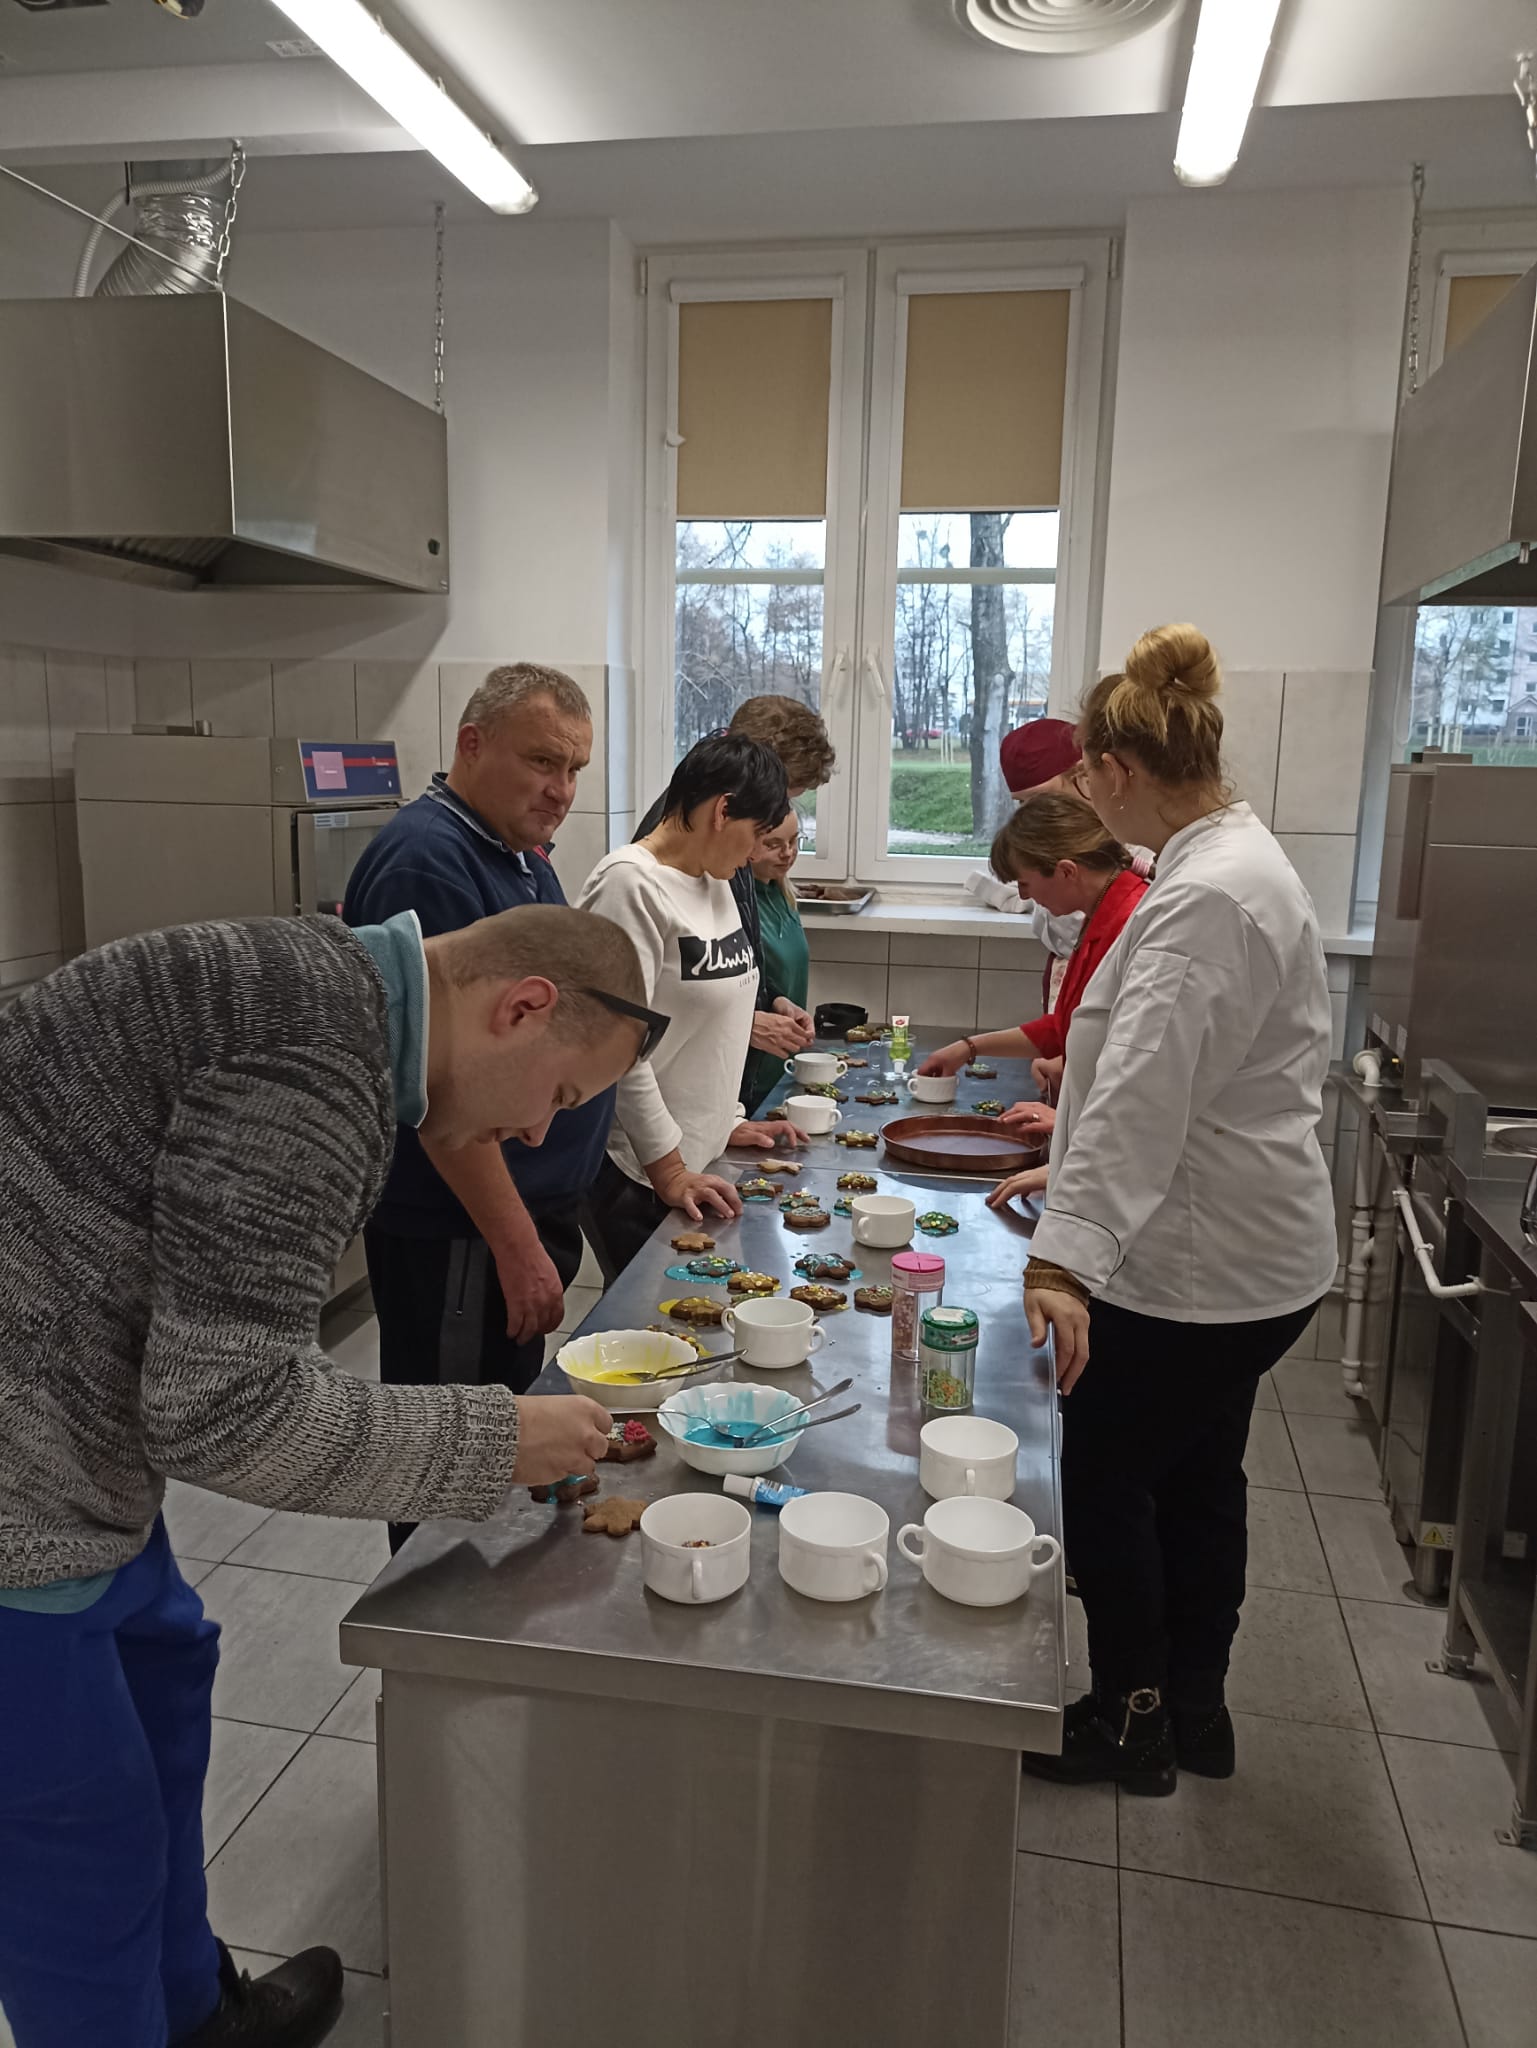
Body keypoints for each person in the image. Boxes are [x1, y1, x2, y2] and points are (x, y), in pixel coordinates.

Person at [0, 902, 661, 2048]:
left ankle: (196, 2013)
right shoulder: (313, 1058)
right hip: (22, 1485)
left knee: (165, 1692)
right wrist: (496, 1436)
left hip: (75, 1433)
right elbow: (223, 1411)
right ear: (521, 1006)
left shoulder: (330, 988)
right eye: (557, 1096)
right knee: (78, 1847)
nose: (531, 1130)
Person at [1018, 625, 1336, 1796]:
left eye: (1082, 774)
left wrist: (1061, 1261)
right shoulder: (1228, 860)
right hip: (1250, 1257)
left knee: (1107, 1482)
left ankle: (1130, 1717)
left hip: (1200, 1267)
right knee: (1200, 1478)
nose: (1079, 795)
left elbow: (1143, 1098)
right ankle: (1196, 1709)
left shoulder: (1205, 895)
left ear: (1118, 769)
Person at [343, 663, 612, 1552]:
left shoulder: (517, 854)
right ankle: (428, 1607)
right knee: (449, 1439)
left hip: (512, 1217)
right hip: (458, 1231)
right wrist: (516, 1244)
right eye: (542, 761)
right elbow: (443, 1093)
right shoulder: (429, 859)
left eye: (574, 768)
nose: (561, 789)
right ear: (471, 744)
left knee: (501, 1426)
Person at [581, 733, 807, 1279]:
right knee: (655, 1319)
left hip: (699, 1157)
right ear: (722, 811)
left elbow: (719, 1021)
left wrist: (726, 1122)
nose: (755, 855)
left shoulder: (715, 877)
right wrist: (670, 1170)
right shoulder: (629, 884)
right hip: (638, 1170)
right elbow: (619, 1045)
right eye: (756, 835)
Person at [919, 793, 1149, 1207]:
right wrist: (968, 1048)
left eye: (1025, 884)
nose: (1025, 897)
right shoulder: (1102, 911)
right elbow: (1065, 1027)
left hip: (1115, 1148)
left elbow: (1140, 1064)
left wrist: (1070, 1126)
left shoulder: (1132, 921)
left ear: (1066, 871)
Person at [636, 695, 835, 1069]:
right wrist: (748, 1023)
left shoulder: (725, 846)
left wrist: (767, 1000)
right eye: (775, 806)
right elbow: (651, 1009)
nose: (761, 846)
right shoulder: (647, 870)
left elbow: (727, 962)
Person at [741, 806, 810, 1113]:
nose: (788, 853)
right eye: (773, 844)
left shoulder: (782, 894)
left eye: (794, 841)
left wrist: (779, 1001)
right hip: (751, 1070)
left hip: (782, 1065)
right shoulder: (741, 905)